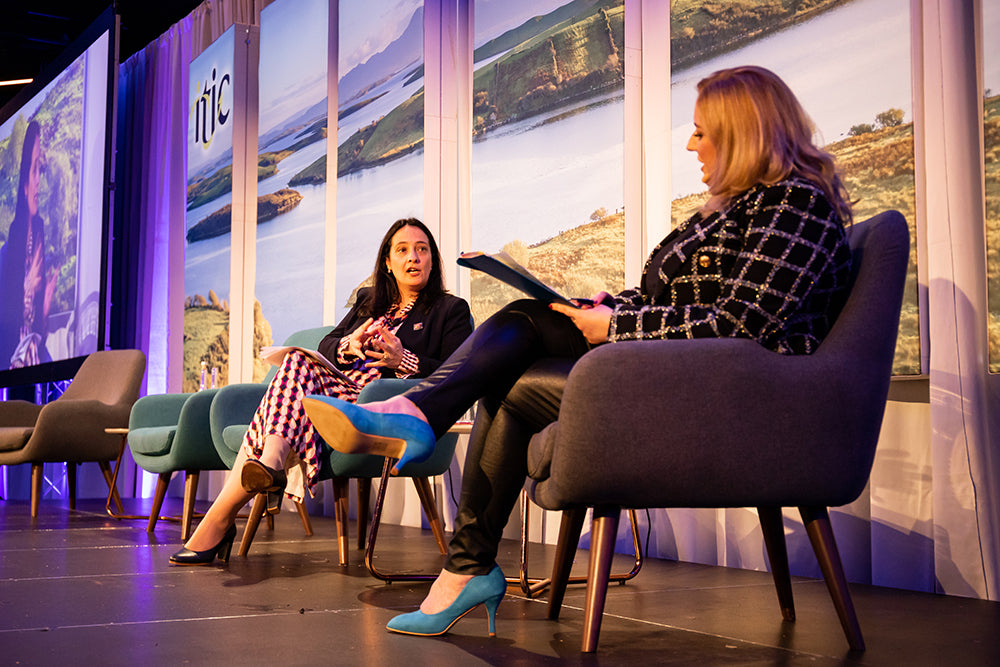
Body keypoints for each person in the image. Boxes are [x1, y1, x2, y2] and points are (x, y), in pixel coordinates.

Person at [302, 65, 855, 638]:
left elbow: (743, 323)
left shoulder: (795, 206)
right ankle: (456, 541)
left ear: (744, 132)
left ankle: (432, 456)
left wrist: (615, 324)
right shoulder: (736, 209)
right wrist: (605, 306)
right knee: (520, 353)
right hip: (680, 371)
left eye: (701, 130)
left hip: (731, 397)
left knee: (520, 339)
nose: (691, 143)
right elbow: (677, 299)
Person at [168, 217, 473, 565]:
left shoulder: (450, 310)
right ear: (388, 263)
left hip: (381, 401)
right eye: (403, 250)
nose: (413, 258)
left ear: (433, 260)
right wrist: (348, 344)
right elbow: (327, 345)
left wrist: (403, 359)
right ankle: (266, 466)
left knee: (286, 390)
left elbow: (456, 376)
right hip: (339, 388)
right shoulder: (368, 302)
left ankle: (236, 500)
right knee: (299, 361)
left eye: (422, 250)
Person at [0, 120, 56, 370]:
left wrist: (43, 308)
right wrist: (25, 287)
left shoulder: (39, 235)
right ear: (23, 185)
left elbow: (37, 330)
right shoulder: (8, 251)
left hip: (34, 353)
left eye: (40, 170)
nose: (39, 183)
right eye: (34, 170)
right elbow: (7, 326)